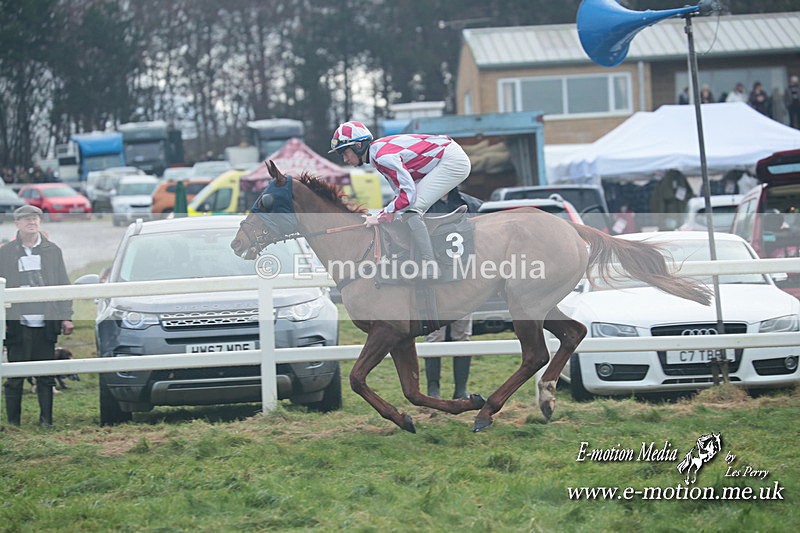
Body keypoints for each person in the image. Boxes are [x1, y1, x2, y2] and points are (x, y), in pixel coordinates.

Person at [329, 121, 472, 279]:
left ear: (358, 146)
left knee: (411, 209)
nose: (344, 159)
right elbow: (400, 195)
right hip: (446, 155)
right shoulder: (377, 155)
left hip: (452, 161)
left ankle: (430, 265)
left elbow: (408, 196)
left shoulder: (382, 157)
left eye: (344, 152)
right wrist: (387, 213)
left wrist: (380, 216)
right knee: (406, 210)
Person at [1, 205, 73, 427]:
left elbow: (63, 284)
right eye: (26, 219)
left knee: (45, 374)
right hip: (16, 323)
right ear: (18, 223)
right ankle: (13, 424)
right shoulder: (5, 252)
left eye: (35, 218)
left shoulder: (53, 250)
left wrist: (66, 316)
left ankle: (46, 422)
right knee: (15, 376)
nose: (32, 222)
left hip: (46, 321)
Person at [421, 187, 482, 399]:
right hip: (434, 282)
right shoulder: (424, 203)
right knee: (434, 335)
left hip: (463, 282)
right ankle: (433, 389)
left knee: (462, 335)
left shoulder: (471, 204)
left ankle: (461, 390)